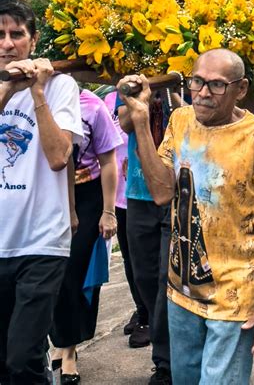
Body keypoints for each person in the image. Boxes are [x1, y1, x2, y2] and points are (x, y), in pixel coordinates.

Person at [118, 48, 254, 385]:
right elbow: (161, 193)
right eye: (197, 82)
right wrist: (141, 122)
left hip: (233, 294)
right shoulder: (181, 120)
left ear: (240, 89)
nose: (202, 93)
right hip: (181, 288)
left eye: (216, 85)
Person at [0, 0, 83, 385]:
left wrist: (37, 92)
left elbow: (57, 157)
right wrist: (7, 89)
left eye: (17, 34)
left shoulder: (61, 86)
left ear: (32, 41)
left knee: (21, 355)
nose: (7, 43)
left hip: (41, 241)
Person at [50, 88, 121, 384]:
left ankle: (68, 350)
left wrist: (108, 211)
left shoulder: (92, 106)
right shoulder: (39, 98)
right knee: (48, 273)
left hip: (88, 196)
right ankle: (60, 338)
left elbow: (108, 162)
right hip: (47, 193)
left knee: (73, 274)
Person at [116, 89, 172, 385]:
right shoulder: (133, 80)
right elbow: (125, 123)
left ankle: (165, 362)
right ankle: (162, 341)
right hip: (138, 192)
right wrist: (140, 94)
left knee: (168, 279)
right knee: (145, 277)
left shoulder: (192, 73)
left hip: (178, 190)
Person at [103, 90, 150, 347]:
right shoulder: (110, 99)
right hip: (123, 194)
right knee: (132, 260)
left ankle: (151, 316)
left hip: (149, 188)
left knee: (148, 261)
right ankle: (142, 309)